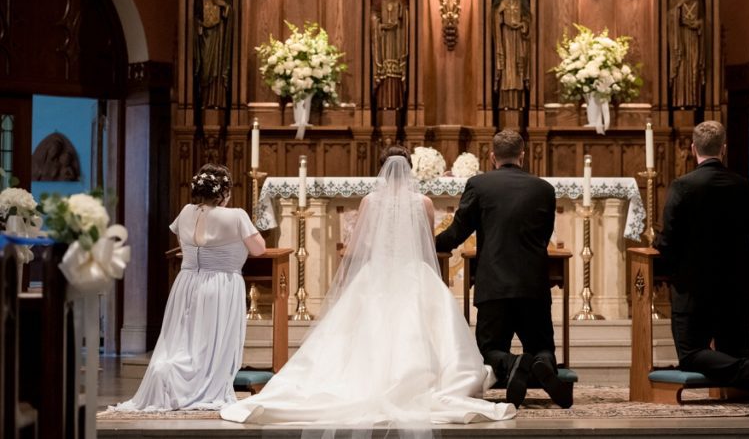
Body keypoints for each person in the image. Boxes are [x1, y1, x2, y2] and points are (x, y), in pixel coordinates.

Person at [220, 147, 514, 429]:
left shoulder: (371, 202)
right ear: (409, 169)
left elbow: (361, 244)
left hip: (378, 272)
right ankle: (428, 382)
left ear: (382, 170)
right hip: (413, 273)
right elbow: (425, 243)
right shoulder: (422, 202)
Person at [654, 121, 749, 409]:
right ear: (723, 149)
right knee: (731, 348)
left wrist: (671, 267)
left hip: (693, 286)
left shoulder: (683, 186)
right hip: (734, 284)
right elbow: (746, 229)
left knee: (691, 352)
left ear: (692, 148)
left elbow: (667, 239)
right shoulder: (742, 185)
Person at [435, 130, 573, 408]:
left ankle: (512, 363)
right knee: (542, 346)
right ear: (522, 154)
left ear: (491, 155)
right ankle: (540, 364)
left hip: (494, 284)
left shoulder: (479, 184)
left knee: (488, 351)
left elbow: (458, 231)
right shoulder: (544, 189)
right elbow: (543, 236)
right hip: (533, 284)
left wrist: (427, 242)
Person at [113, 164, 265, 411]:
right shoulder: (236, 216)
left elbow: (183, 245)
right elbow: (259, 249)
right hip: (220, 285)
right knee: (209, 343)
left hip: (186, 282)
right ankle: (198, 386)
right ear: (225, 191)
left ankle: (170, 378)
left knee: (183, 339)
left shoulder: (185, 212)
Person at [492, 0, 530, 110]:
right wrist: (498, 11)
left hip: (518, 38)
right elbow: (494, 16)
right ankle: (505, 103)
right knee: (507, 68)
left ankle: (519, 103)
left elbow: (528, 15)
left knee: (518, 67)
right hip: (505, 36)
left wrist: (523, 24)